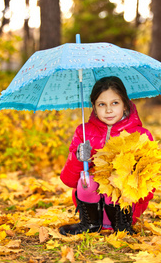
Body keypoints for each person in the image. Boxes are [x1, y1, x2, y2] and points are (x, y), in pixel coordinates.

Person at [59, 76, 154, 236]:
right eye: (102, 104)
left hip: (125, 209)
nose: (108, 110)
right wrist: (78, 158)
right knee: (87, 180)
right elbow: (69, 180)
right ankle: (90, 225)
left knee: (115, 180)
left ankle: (122, 227)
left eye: (115, 103)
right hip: (92, 207)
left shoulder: (140, 135)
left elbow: (149, 187)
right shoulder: (84, 132)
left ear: (125, 105)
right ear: (94, 108)